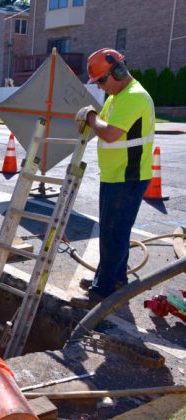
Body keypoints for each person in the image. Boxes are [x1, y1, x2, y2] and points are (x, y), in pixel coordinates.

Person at [71, 48, 154, 308]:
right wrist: (90, 120)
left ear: (117, 71)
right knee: (114, 231)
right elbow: (103, 127)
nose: (102, 88)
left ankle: (102, 291)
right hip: (115, 176)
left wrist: (91, 116)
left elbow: (109, 134)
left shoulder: (134, 97)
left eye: (102, 81)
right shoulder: (116, 96)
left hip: (128, 177)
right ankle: (114, 279)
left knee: (114, 233)